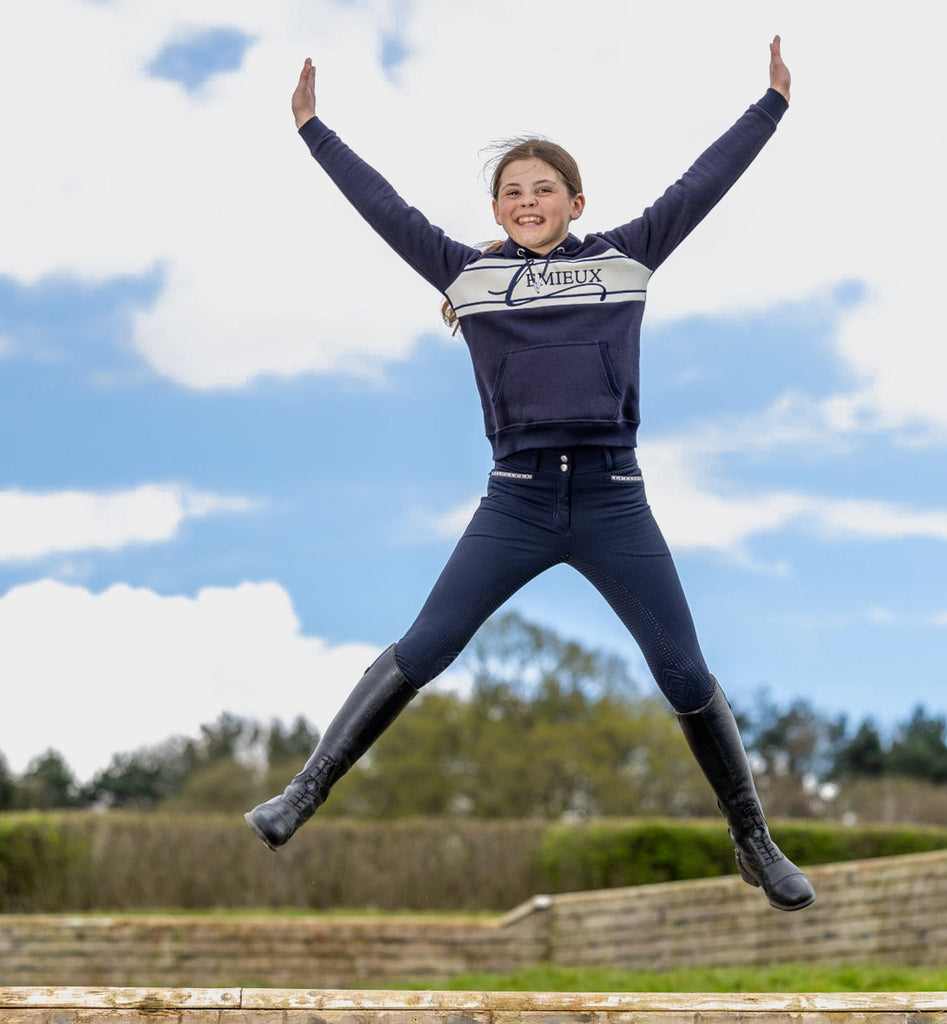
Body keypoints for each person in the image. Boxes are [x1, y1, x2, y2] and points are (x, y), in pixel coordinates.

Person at [245, 38, 815, 912]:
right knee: (425, 647)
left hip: (612, 498)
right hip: (515, 500)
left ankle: (753, 840)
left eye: (542, 187)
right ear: (498, 211)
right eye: (511, 192)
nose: (526, 201)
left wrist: (769, 105)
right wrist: (314, 131)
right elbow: (385, 209)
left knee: (685, 674)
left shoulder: (625, 257)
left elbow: (704, 183)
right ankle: (303, 793)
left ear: (575, 201)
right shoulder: (469, 276)